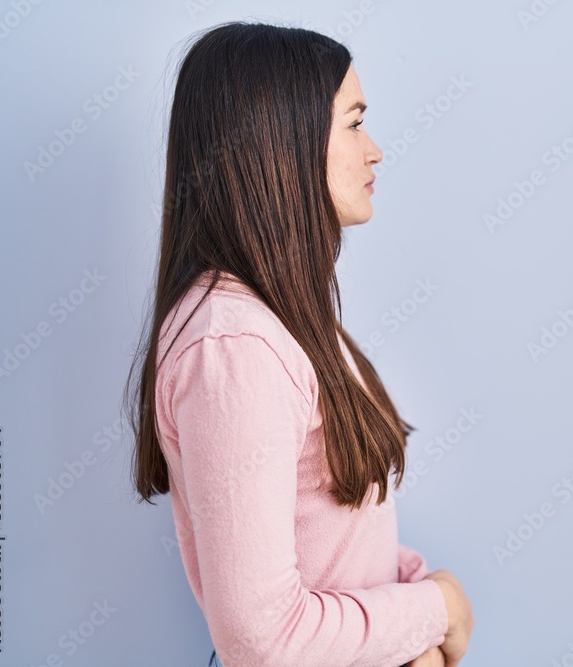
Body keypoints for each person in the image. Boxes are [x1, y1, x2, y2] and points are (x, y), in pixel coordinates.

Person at [125, 21, 474, 666]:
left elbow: (333, 535)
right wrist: (437, 609)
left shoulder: (279, 320)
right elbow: (263, 639)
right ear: (279, 142)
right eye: (353, 123)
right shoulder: (233, 346)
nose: (374, 150)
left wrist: (417, 602)